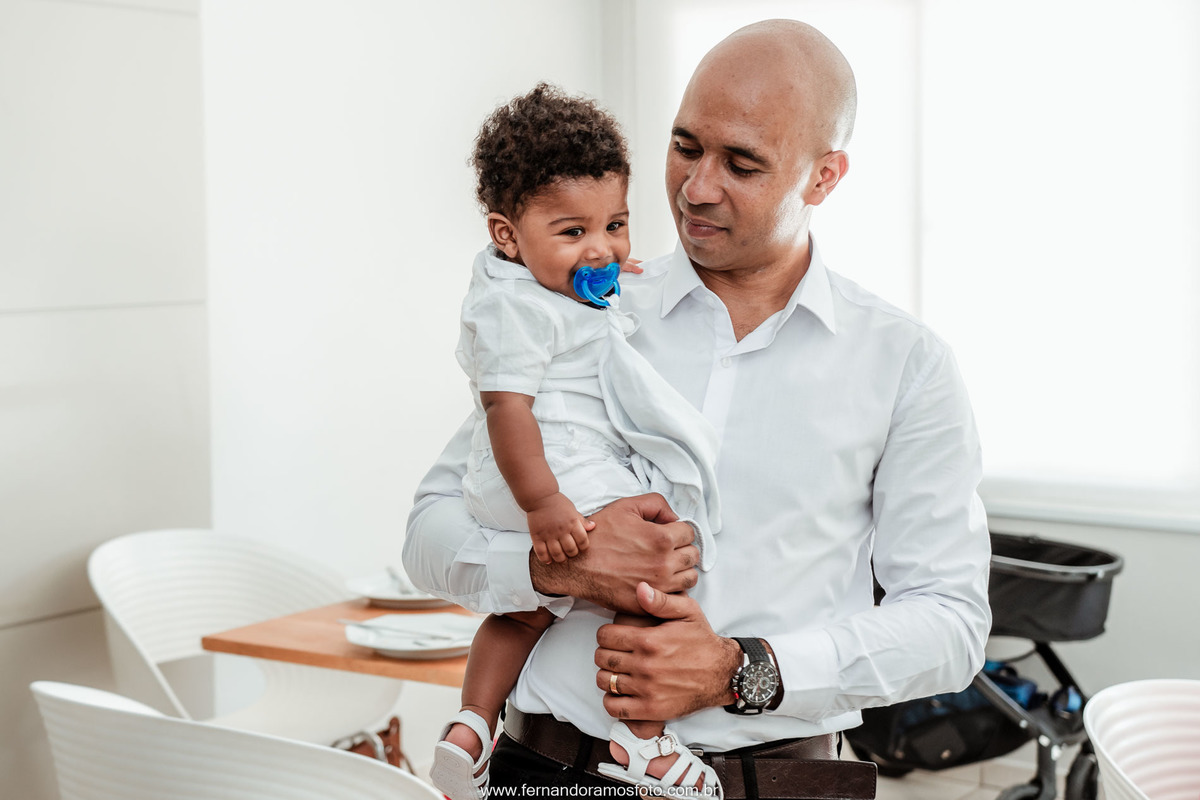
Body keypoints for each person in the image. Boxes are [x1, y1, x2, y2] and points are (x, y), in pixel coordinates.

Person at [405, 19, 991, 800]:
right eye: (685, 147)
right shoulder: (579, 310)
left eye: (742, 164)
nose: (697, 187)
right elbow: (431, 530)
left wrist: (740, 671)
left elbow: (949, 626)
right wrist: (554, 568)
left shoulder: (905, 365)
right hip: (545, 771)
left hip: (778, 781)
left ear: (824, 177)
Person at [429, 84, 723, 800]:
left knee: (522, 611)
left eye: (616, 225)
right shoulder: (513, 311)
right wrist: (545, 505)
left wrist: (600, 268)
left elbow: (583, 297)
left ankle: (470, 725)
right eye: (573, 233)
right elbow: (504, 407)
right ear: (507, 235)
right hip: (546, 471)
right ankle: (643, 743)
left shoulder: (533, 286)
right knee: (656, 552)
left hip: (530, 479)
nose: (602, 248)